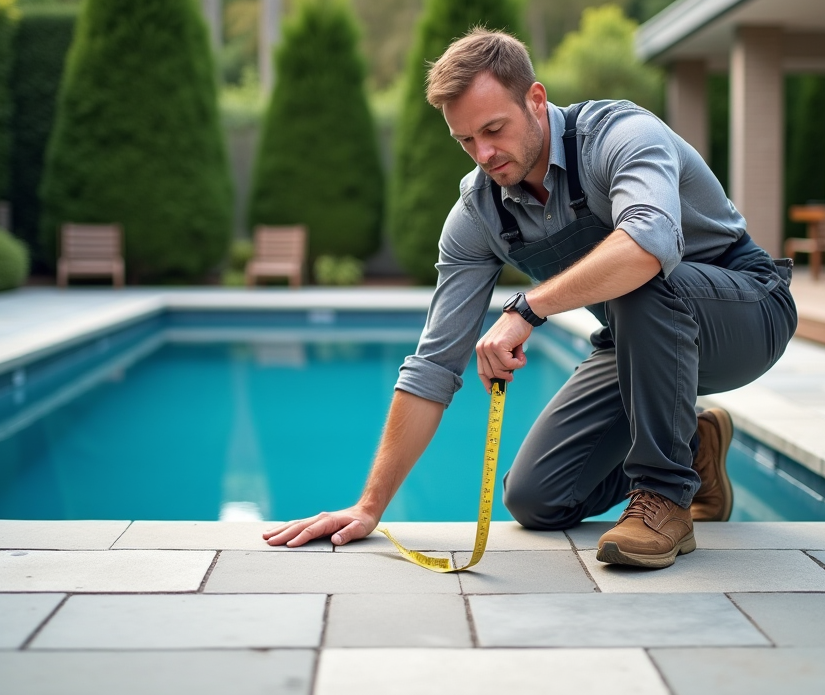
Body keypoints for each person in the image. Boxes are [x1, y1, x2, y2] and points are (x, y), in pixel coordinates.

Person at [264, 29, 797, 568]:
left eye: (494, 129)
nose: (484, 154)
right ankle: (695, 452)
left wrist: (527, 308)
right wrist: (369, 505)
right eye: (467, 141)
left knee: (640, 277)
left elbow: (649, 243)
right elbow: (432, 365)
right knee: (537, 498)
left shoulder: (621, 134)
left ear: (536, 100)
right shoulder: (479, 215)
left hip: (747, 311)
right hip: (636, 342)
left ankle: (664, 496)